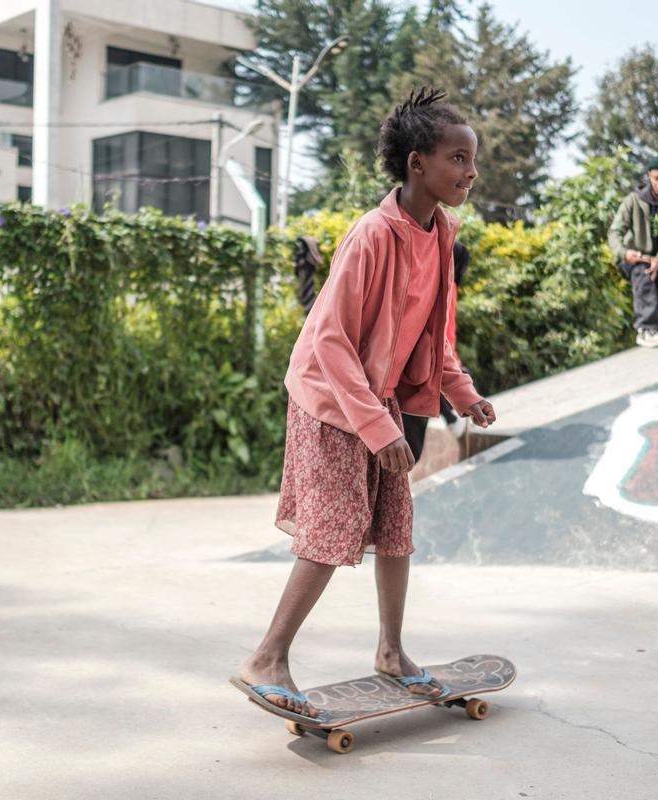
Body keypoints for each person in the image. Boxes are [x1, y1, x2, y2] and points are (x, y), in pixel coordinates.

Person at [230, 88, 495, 721]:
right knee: (333, 528)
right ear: (416, 164)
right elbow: (330, 338)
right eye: (458, 158)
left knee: (396, 529)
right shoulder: (373, 234)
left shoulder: (441, 235)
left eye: (471, 160)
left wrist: (463, 393)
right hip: (332, 399)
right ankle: (266, 657)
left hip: (386, 401)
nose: (469, 172)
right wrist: (375, 427)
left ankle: (391, 651)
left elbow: (434, 335)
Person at [402, 239, 471, 461]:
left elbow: (444, 333)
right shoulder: (444, 285)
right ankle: (452, 418)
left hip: (433, 361)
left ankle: (452, 417)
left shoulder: (441, 286)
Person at [608, 154, 658, 348]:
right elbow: (615, 231)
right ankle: (645, 329)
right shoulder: (632, 201)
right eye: (656, 178)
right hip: (633, 257)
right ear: (649, 177)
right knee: (645, 272)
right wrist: (623, 252)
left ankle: (653, 330)